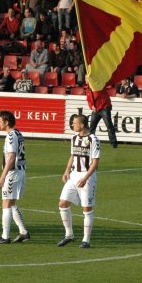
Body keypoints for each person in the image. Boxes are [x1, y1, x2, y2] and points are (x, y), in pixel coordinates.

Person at [57, 115, 100, 248]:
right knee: (63, 203)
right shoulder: (74, 138)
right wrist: (67, 170)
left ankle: (86, 240)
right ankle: (69, 234)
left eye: (74, 123)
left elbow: (95, 162)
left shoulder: (93, 139)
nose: (72, 125)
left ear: (82, 125)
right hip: (73, 176)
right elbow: (73, 155)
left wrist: (85, 178)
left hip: (87, 177)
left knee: (86, 208)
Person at [0, 111, 30, 244]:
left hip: (13, 172)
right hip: (19, 170)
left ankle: (5, 236)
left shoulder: (10, 136)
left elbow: (12, 157)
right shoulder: (18, 133)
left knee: (6, 203)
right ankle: (23, 232)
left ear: (6, 122)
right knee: (11, 203)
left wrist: (3, 176)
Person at [87, 79, 118, 148]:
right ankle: (90, 142)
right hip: (96, 110)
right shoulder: (88, 89)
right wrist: (92, 106)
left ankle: (113, 143)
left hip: (104, 108)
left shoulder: (99, 85)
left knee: (109, 125)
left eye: (87, 78)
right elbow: (89, 100)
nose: (86, 80)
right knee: (92, 127)